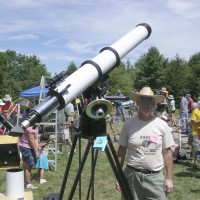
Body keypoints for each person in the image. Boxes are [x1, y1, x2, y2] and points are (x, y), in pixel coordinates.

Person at [116, 86, 174, 200]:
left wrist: (169, 178)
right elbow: (121, 151)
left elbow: (167, 153)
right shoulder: (128, 124)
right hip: (132, 176)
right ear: (137, 103)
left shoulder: (162, 125)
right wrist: (118, 177)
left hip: (155, 178)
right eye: (142, 100)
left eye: (149, 101)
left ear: (154, 104)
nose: (146, 104)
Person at [18, 125, 39, 190]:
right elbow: (31, 140)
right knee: (28, 166)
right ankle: (28, 184)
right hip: (28, 148)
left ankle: (23, 181)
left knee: (25, 164)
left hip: (25, 146)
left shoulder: (28, 126)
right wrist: (36, 151)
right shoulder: (30, 129)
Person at [190, 101, 200, 168]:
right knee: (197, 149)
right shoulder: (195, 111)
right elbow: (193, 121)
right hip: (196, 133)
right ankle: (194, 162)